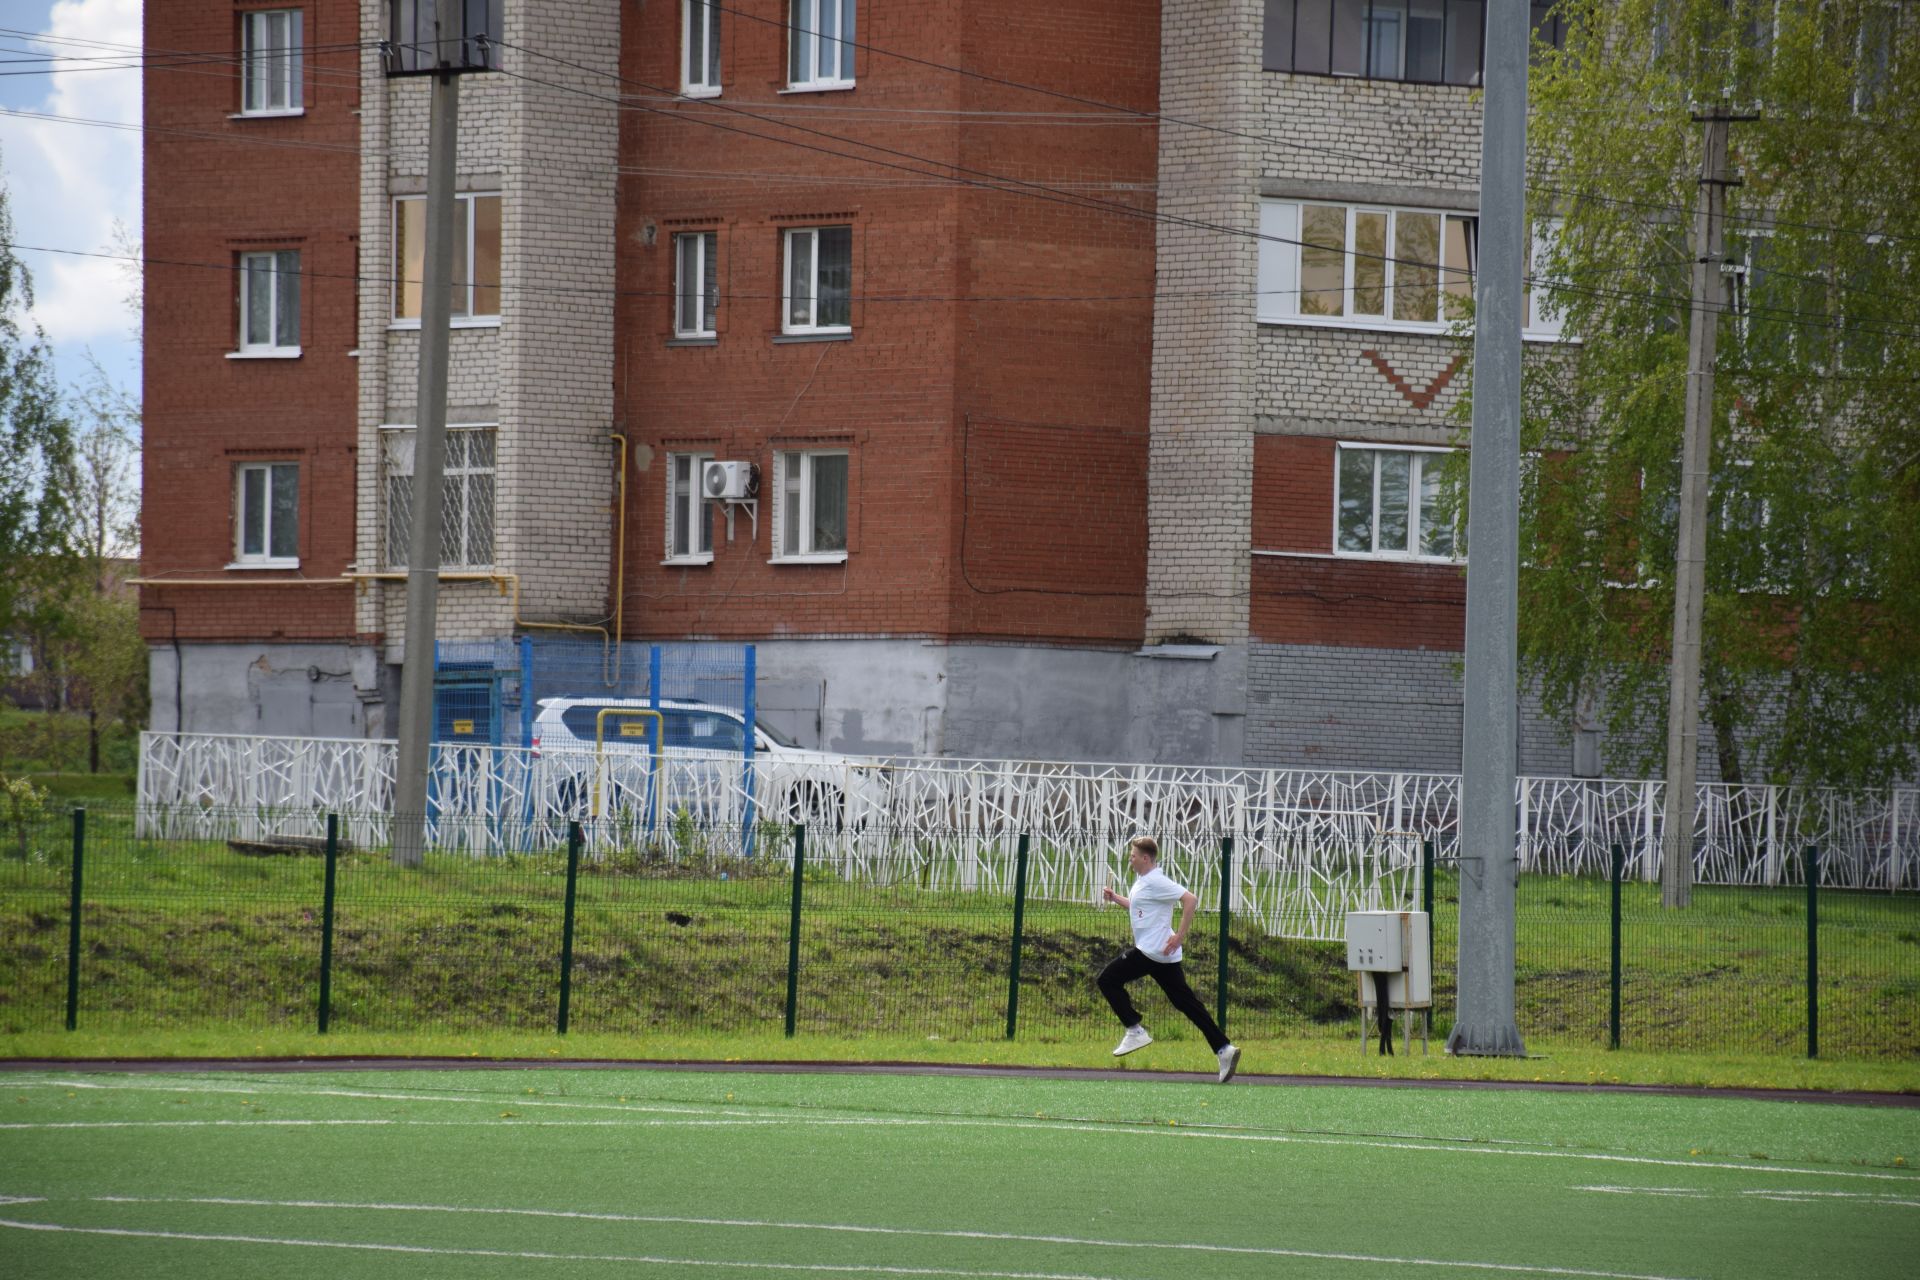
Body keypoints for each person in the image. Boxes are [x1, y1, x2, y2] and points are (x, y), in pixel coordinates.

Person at [1097, 835, 1241, 1083]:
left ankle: (1134, 1029)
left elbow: (1190, 899)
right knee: (1186, 1003)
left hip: (1151, 951)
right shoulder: (1145, 881)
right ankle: (1223, 1049)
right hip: (1163, 954)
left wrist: (1180, 936)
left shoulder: (1156, 880)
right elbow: (1141, 907)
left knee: (1106, 980)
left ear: (1145, 858)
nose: (1129, 860)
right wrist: (1116, 898)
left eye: (1133, 856)